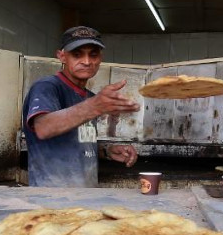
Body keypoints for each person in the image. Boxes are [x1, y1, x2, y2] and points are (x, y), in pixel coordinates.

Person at [22, 26, 140, 187]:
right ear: (62, 56)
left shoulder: (89, 97)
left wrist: (107, 151)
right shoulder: (47, 87)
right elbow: (43, 128)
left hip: (84, 196)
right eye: (77, 54)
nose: (86, 61)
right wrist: (95, 106)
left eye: (93, 54)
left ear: (100, 58)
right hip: (51, 198)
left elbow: (76, 144)